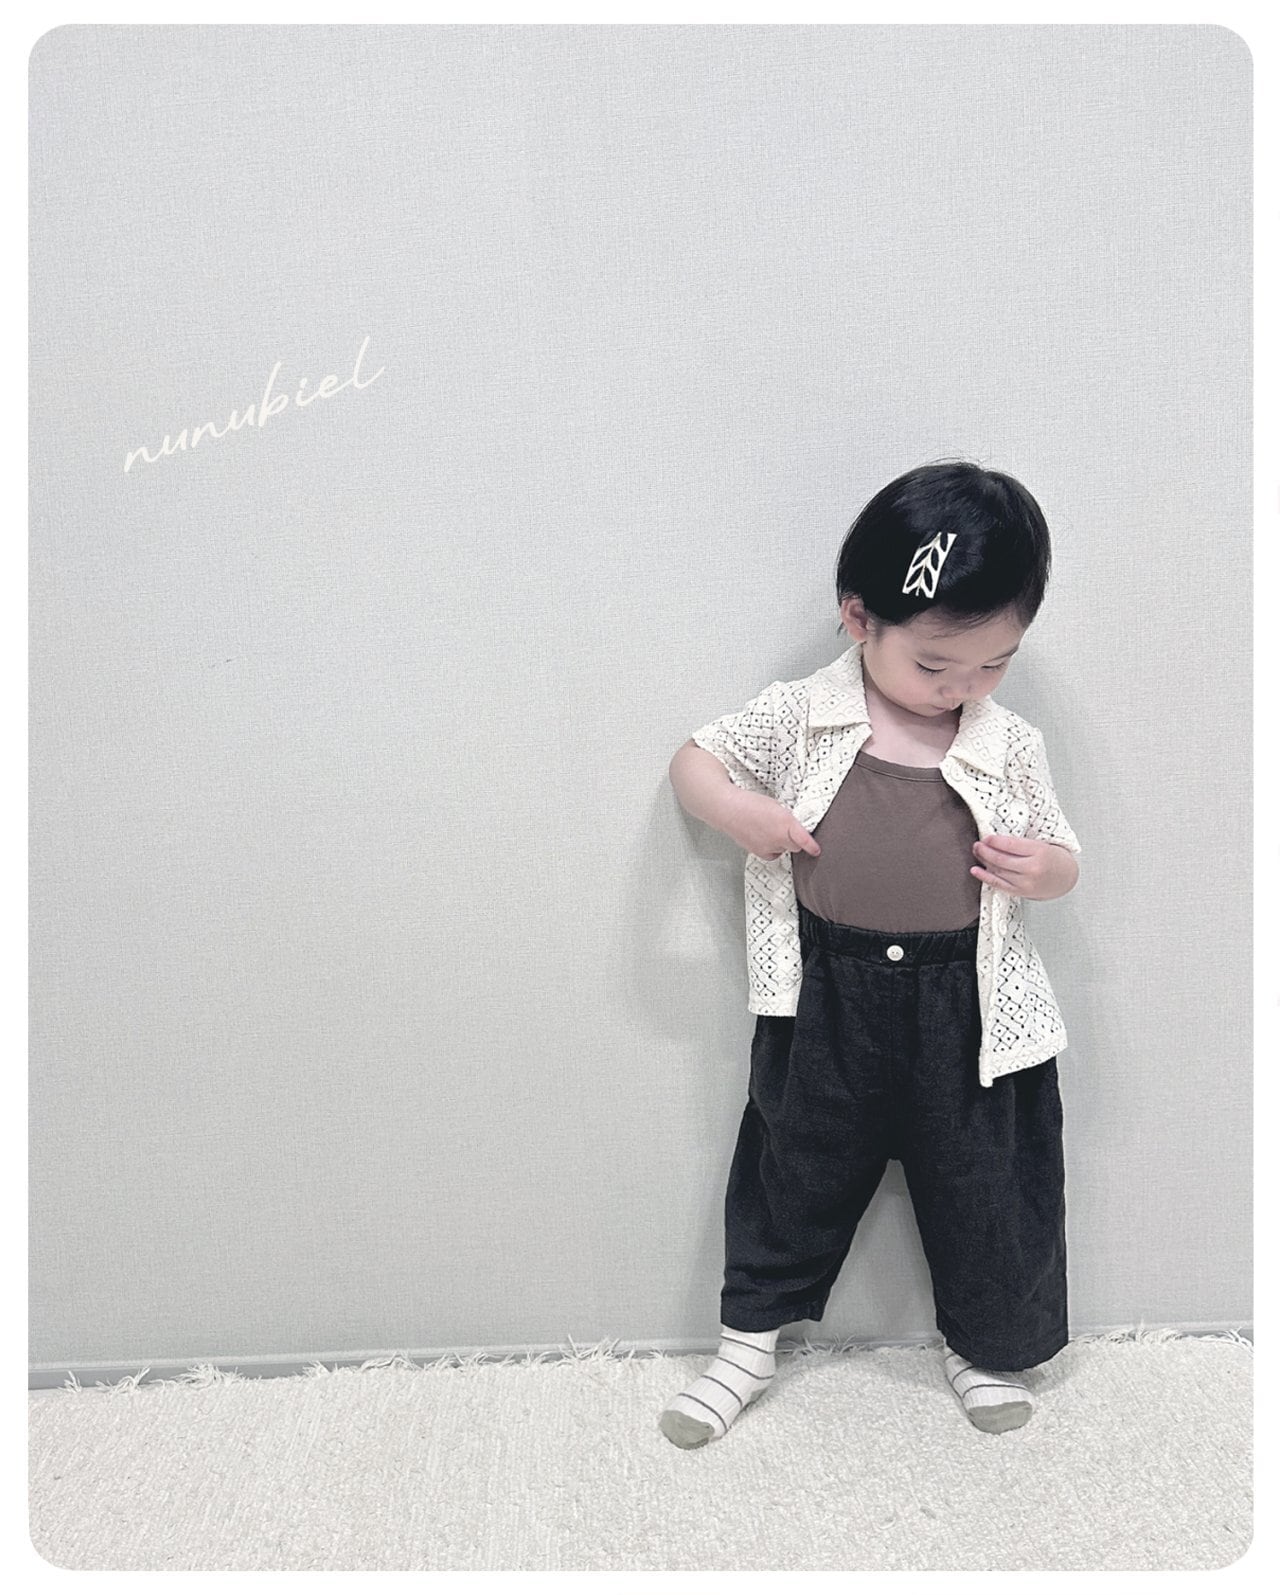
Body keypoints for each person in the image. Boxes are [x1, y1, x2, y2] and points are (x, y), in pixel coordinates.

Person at [658, 460, 1083, 1448]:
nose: (962, 687)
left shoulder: (1009, 743)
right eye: (934, 665)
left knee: (982, 1180)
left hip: (967, 1001)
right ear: (858, 618)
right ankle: (746, 1342)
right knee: (791, 1164)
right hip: (828, 990)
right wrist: (735, 809)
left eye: (994, 663)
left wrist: (1044, 871)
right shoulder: (802, 713)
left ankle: (982, 1346)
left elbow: (1063, 854)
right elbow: (694, 759)